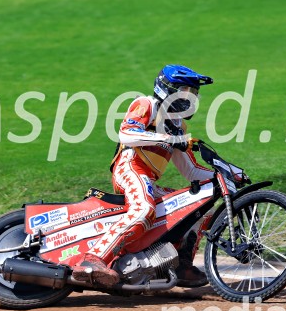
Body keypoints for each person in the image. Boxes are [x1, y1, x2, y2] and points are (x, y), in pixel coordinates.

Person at [72, 65, 228, 288]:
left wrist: (225, 175)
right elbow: (127, 133)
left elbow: (191, 171)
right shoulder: (146, 104)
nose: (190, 98)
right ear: (167, 88)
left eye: (193, 93)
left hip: (149, 181)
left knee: (199, 207)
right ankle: (94, 259)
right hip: (129, 168)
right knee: (144, 208)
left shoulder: (179, 126)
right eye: (185, 91)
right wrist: (168, 139)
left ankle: (180, 265)